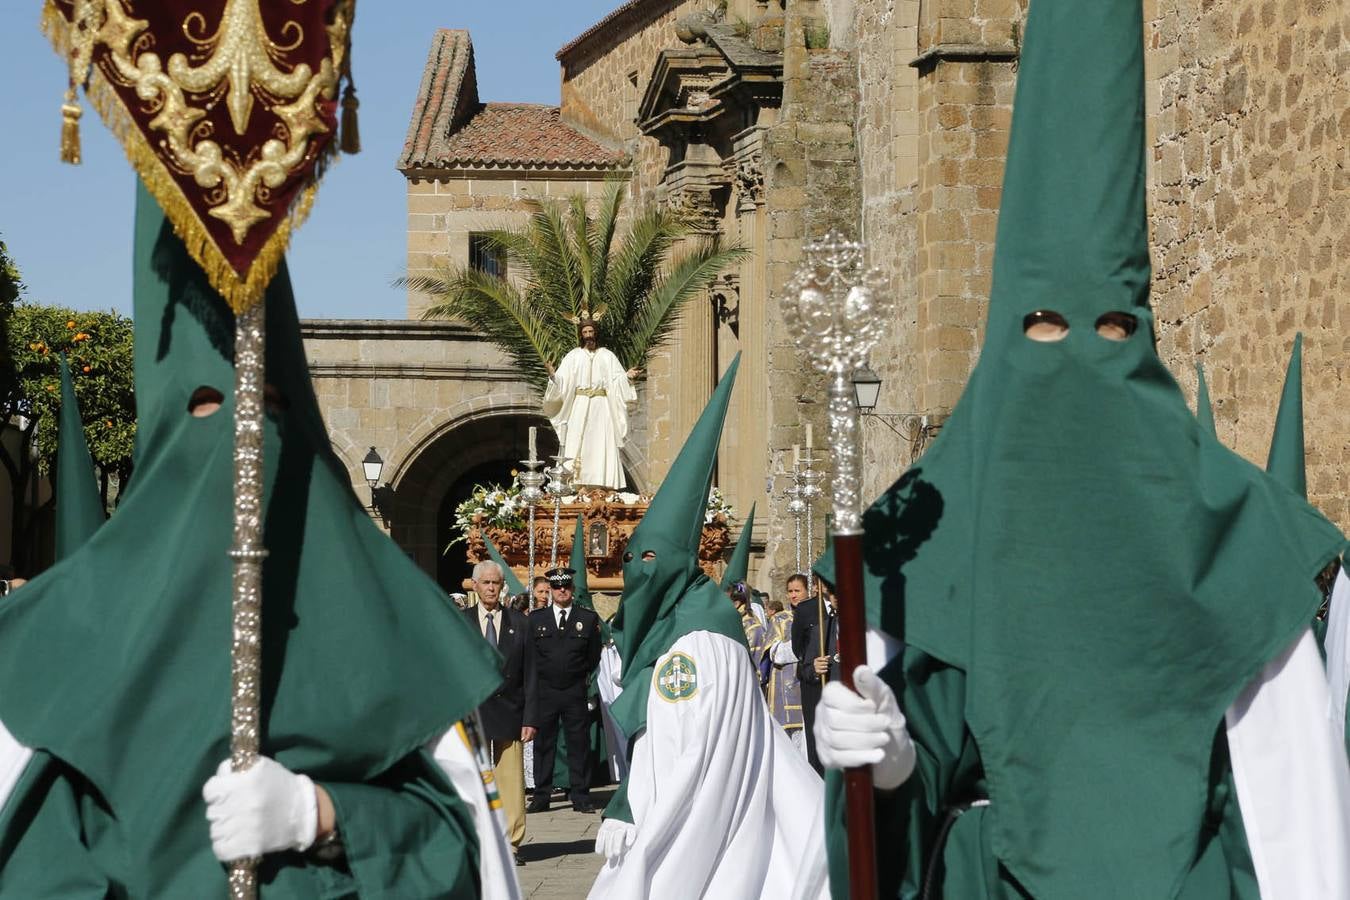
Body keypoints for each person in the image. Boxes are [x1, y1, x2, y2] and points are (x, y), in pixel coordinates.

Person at [810, 2, 1350, 897]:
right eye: (1044, 328)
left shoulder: (1242, 546)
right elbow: (902, 806)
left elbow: (1289, 816)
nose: (1079, 361)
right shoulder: (944, 533)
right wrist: (886, 765)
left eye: (1111, 329)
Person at [0, 185, 508, 896]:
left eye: (267, 410)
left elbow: (464, 851)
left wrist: (324, 816)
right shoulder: (44, 654)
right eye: (206, 411)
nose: (241, 449)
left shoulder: (389, 635)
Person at [588, 356, 825, 900]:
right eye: (632, 560)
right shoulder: (687, 624)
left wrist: (641, 830)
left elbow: (688, 754)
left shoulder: (694, 645)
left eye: (648, 558)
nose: (635, 573)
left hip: (696, 841)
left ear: (674, 566)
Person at [464, 560, 536, 866]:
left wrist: (530, 718)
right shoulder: (461, 620)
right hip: (474, 714)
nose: (491, 588)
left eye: (496, 583)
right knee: (475, 779)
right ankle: (478, 839)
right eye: (486, 583)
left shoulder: (520, 623)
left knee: (509, 781)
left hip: (510, 710)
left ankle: (511, 843)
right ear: (476, 586)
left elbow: (532, 674)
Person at [527, 566, 603, 813]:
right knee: (544, 744)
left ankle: (580, 795)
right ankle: (541, 796)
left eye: (566, 586)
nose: (562, 591)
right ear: (550, 590)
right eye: (557, 587)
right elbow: (531, 657)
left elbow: (593, 656)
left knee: (578, 743)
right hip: (545, 691)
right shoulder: (536, 619)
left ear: (572, 589)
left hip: (573, 691)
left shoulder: (587, 619)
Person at [542, 317, 638, 490]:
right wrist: (553, 376)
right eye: (585, 332)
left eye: (590, 332)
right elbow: (563, 381)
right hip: (580, 405)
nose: (588, 335)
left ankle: (602, 484)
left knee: (601, 442)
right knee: (578, 440)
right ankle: (578, 483)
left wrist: (627, 377)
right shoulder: (574, 356)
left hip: (601, 407)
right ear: (581, 335)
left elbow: (617, 380)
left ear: (596, 333)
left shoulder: (608, 356)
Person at [787, 575, 836, 771]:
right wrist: (812, 665)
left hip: (843, 683)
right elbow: (798, 648)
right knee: (819, 747)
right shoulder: (806, 610)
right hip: (816, 686)